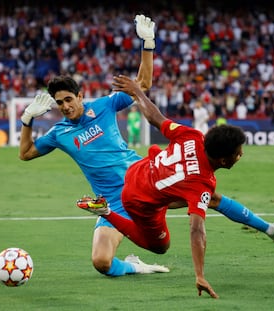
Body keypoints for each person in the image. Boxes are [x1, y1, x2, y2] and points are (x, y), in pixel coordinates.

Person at [78, 75, 274, 298]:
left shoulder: (193, 136)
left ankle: (271, 229)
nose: (240, 156)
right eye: (238, 154)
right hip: (137, 199)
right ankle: (107, 212)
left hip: (140, 169)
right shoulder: (202, 183)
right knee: (161, 246)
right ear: (223, 161)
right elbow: (196, 230)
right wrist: (199, 274)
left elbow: (155, 117)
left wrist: (137, 91)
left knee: (209, 197)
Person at [19, 15, 169, 276]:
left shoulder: (104, 105)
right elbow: (26, 153)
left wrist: (147, 43)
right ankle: (136, 267)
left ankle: (261, 225)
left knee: (200, 196)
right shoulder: (59, 133)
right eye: (59, 103)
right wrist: (27, 120)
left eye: (68, 99)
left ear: (80, 96)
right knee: (102, 262)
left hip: (142, 182)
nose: (65, 107)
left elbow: (142, 85)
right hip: (111, 202)